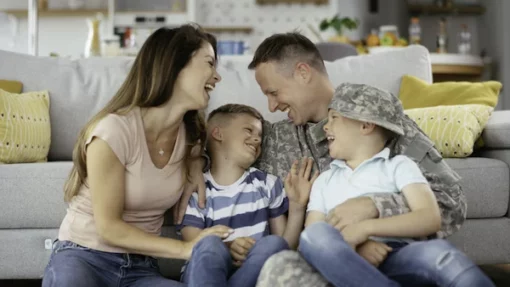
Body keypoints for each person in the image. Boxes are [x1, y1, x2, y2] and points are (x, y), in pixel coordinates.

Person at [243, 32, 467, 286]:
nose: (271, 107)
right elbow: (219, 156)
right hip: (323, 261)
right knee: (279, 269)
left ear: (303, 73)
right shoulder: (273, 139)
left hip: (391, 256)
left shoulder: (374, 118)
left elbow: (451, 203)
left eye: (274, 92)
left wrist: (374, 207)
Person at [42, 24, 232, 287]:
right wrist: (186, 249)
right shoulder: (114, 130)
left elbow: (215, 150)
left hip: (140, 268)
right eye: (209, 63)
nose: (217, 76)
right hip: (83, 256)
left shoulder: (191, 135)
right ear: (174, 65)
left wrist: (197, 164)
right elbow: (108, 226)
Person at [298, 83, 495, 287]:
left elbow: (430, 218)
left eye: (334, 118)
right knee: (313, 235)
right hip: (345, 259)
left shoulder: (399, 165)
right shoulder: (324, 180)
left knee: (440, 254)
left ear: (365, 125)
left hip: (398, 255)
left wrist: (364, 229)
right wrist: (358, 247)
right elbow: (314, 238)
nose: (325, 126)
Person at [178, 104, 318, 287]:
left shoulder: (267, 184)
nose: (256, 139)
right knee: (210, 244)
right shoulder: (197, 188)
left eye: (259, 135)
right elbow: (192, 245)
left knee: (273, 244)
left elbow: (285, 248)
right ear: (218, 134)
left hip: (253, 272)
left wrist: (297, 206)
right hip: (205, 275)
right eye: (249, 130)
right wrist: (229, 247)